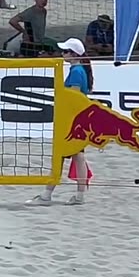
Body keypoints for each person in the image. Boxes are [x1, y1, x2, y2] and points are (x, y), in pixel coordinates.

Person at [29, 38, 92, 207]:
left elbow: (74, 97)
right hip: (78, 120)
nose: (62, 54)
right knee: (77, 156)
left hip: (72, 120)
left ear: (73, 54)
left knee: (63, 156)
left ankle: (47, 195)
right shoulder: (79, 70)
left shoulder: (77, 71)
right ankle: (77, 196)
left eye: (65, 51)